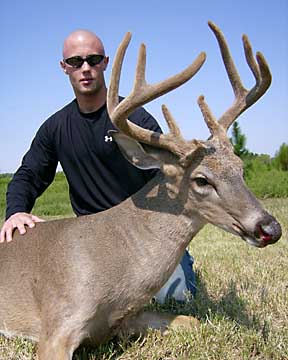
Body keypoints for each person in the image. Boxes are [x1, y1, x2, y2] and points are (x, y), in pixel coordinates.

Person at [0, 29, 196, 303]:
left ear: (105, 62)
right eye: (75, 62)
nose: (85, 68)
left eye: (93, 59)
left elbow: (166, 177)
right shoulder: (56, 128)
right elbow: (29, 175)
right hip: (92, 243)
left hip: (143, 236)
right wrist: (16, 212)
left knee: (178, 300)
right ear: (64, 67)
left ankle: (179, 264)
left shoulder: (135, 120)